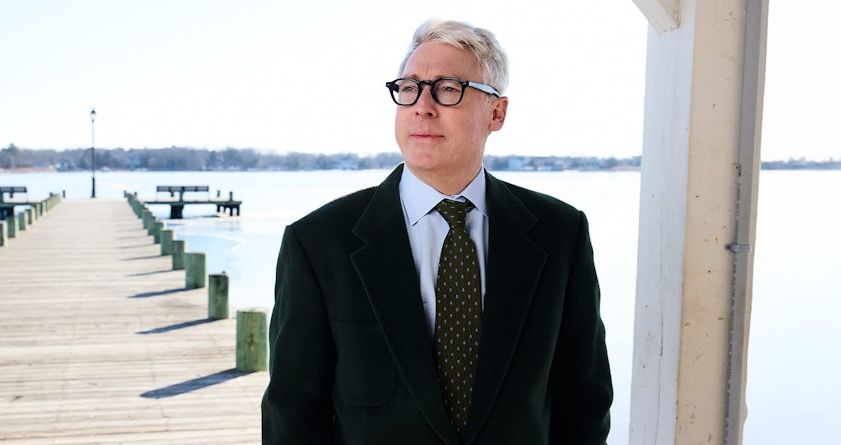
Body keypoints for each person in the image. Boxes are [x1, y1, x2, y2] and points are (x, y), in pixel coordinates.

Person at [262, 18, 613, 444]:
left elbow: (584, 402)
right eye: (409, 88)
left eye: (448, 89)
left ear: (497, 112)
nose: (422, 106)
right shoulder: (318, 242)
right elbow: (292, 414)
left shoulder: (560, 233)